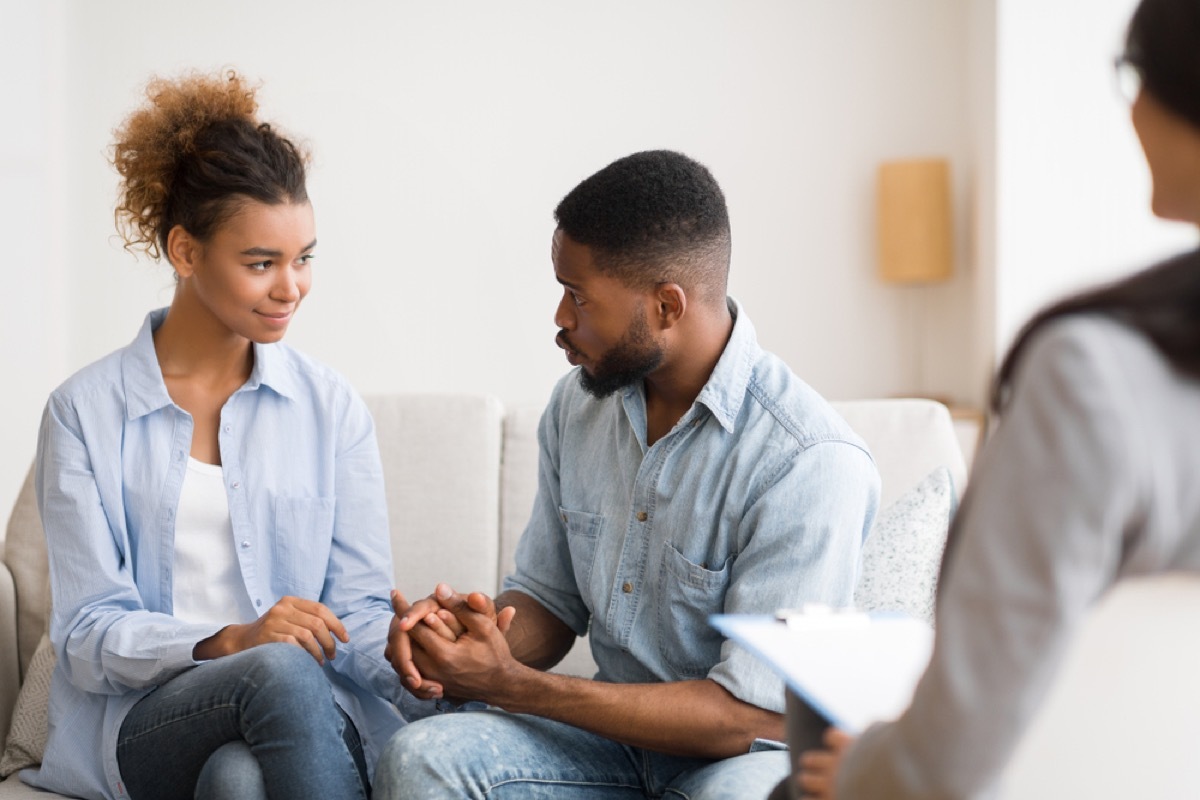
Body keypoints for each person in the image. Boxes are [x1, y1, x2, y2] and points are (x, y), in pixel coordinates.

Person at [373, 149, 881, 799]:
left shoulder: (808, 461)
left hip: (741, 757)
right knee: (423, 756)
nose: (560, 318)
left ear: (667, 306)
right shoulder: (578, 406)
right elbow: (551, 602)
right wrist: (470, 643)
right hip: (609, 748)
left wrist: (514, 687)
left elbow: (750, 714)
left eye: (578, 297)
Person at [791, 0, 1200, 797]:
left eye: (1132, 76)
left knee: (807, 751)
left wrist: (863, 772)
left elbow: (946, 765)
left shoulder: (1095, 379)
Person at [31, 70, 431, 800]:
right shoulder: (83, 413)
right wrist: (232, 641)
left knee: (239, 780)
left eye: (304, 258)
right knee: (276, 668)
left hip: (291, 719)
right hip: (147, 717)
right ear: (185, 253)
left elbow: (357, 613)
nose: (292, 287)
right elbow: (88, 632)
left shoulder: (330, 407)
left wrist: (425, 656)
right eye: (261, 263)